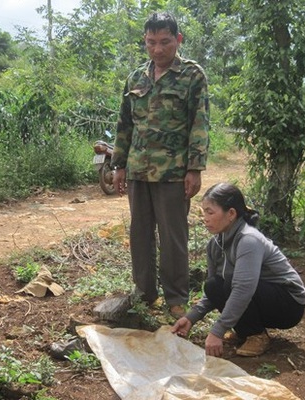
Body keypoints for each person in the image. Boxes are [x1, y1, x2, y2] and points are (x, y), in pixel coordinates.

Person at [111, 12, 209, 318]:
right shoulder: (135, 78)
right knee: (140, 234)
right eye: (151, 42)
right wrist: (119, 164)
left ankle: (176, 297)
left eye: (164, 42)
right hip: (139, 170)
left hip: (173, 172)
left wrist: (194, 168)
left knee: (173, 237)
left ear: (177, 40)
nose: (157, 49)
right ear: (145, 41)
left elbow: (200, 124)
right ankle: (144, 292)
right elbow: (124, 124)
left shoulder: (192, 75)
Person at [171, 182, 305, 357]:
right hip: (259, 296)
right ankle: (247, 330)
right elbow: (214, 291)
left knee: (234, 285)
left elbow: (243, 289)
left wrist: (217, 331)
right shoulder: (215, 244)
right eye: (204, 212)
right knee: (214, 285)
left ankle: (256, 335)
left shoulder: (249, 240)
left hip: (289, 304)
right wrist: (191, 318)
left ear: (231, 214)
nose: (205, 218)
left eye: (210, 212)